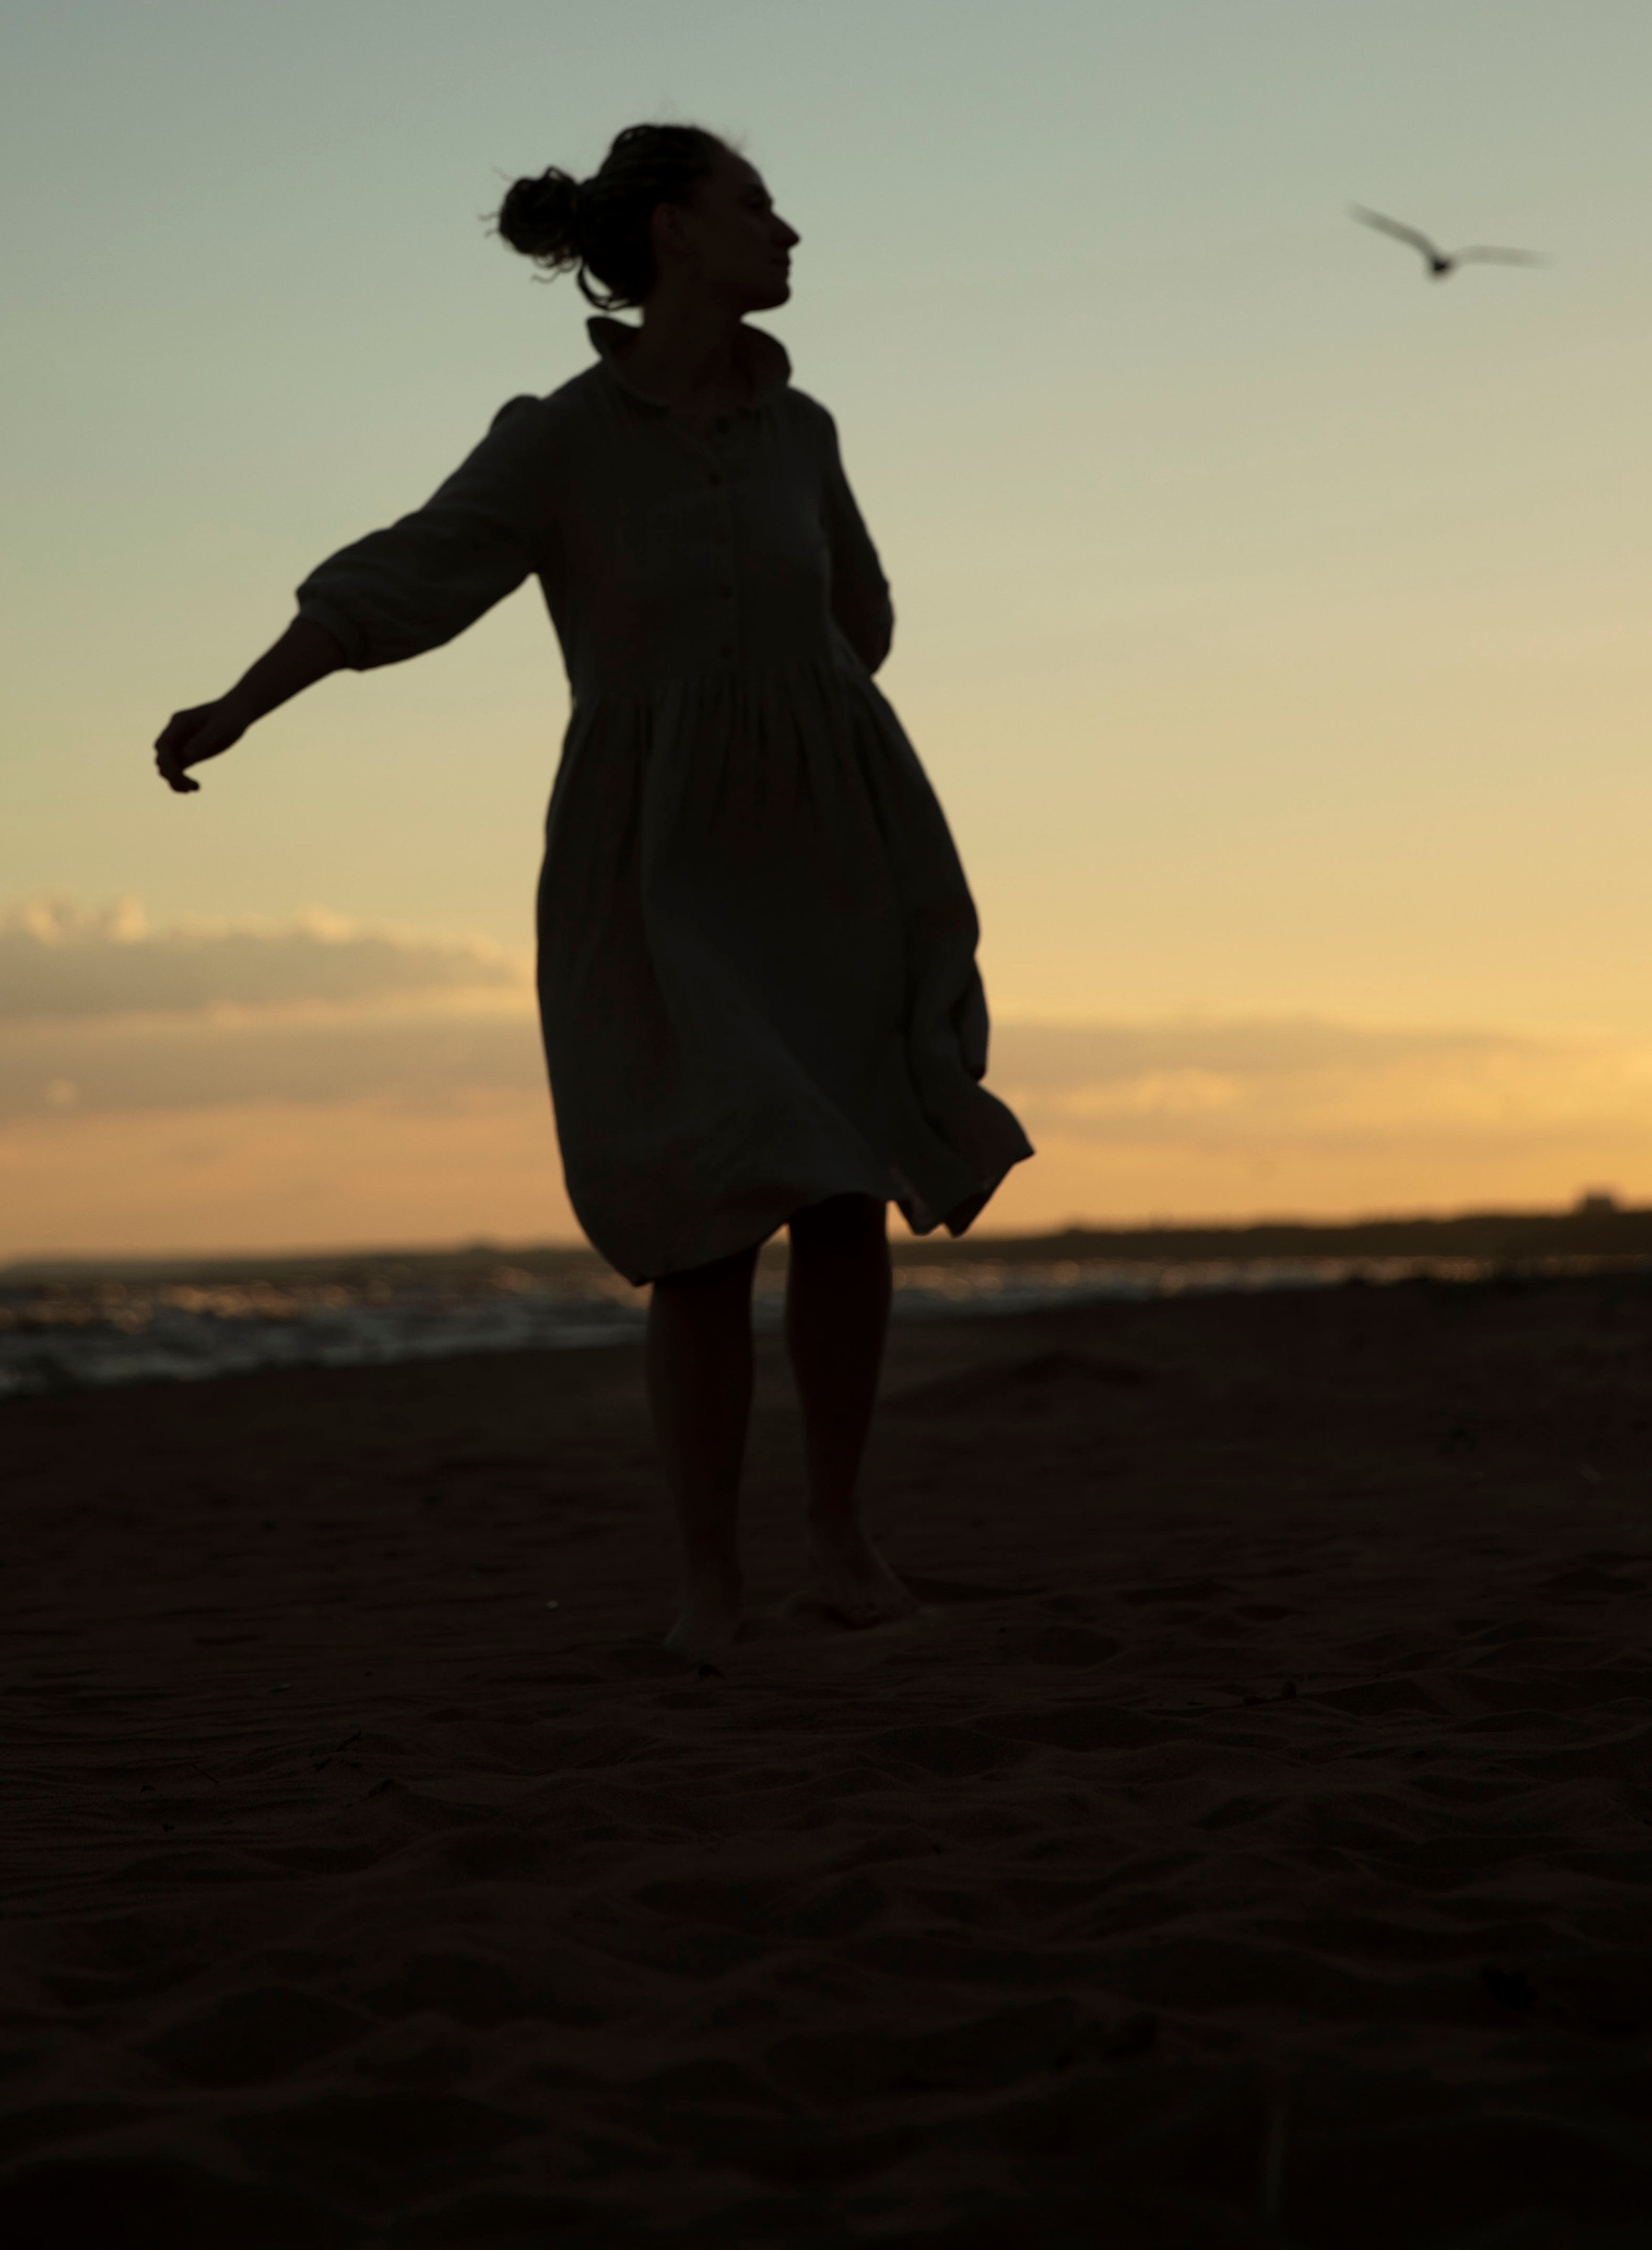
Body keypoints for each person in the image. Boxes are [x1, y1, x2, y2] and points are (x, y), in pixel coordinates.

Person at [154, 124, 1031, 1665]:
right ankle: (711, 1591)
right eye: (760, 205)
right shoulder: (561, 438)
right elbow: (405, 578)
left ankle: (837, 1542)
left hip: (833, 841)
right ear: (678, 232)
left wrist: (797, 738)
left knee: (842, 1191)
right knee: (700, 1214)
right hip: (658, 857)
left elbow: (862, 618)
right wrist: (240, 703)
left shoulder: (804, 427)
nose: (791, 232)